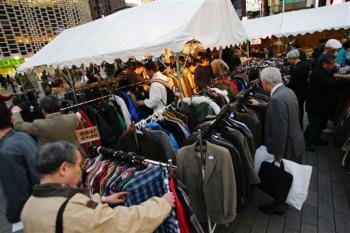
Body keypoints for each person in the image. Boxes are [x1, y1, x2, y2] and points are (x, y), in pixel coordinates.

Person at [21, 141, 175, 233]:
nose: (83, 169)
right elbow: (125, 224)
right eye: (80, 165)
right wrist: (162, 203)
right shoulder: (72, 210)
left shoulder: (29, 207)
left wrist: (102, 199)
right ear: (64, 169)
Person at [250, 67, 306, 215]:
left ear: (266, 82)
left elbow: (280, 131)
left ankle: (279, 206)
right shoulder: (287, 91)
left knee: (282, 176)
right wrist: (261, 105)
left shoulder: (276, 99)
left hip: (287, 146)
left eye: (262, 82)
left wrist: (278, 155)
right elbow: (282, 112)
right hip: (295, 140)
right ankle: (281, 202)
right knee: (286, 175)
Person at [0, 105, 39, 227]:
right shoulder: (23, 136)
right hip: (41, 202)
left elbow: (17, 193)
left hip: (29, 213)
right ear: (11, 119)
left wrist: (14, 218)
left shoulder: (6, 151)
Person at [304, 54, 350, 152]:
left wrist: (344, 76)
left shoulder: (325, 71)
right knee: (314, 124)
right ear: (325, 64)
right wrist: (347, 81)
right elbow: (332, 83)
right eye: (333, 63)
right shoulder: (318, 73)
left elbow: (332, 76)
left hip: (322, 104)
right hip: (315, 104)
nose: (335, 65)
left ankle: (316, 139)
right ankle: (306, 143)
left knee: (320, 124)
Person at [11, 95, 81, 147]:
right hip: (78, 159)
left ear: (43, 111)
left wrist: (15, 113)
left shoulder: (39, 125)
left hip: (56, 163)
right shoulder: (72, 118)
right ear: (60, 107)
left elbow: (19, 125)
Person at [286, 49, 310, 128]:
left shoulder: (297, 68)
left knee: (298, 109)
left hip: (298, 92)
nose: (288, 61)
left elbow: (294, 83)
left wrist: (285, 85)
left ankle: (298, 125)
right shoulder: (304, 64)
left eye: (288, 59)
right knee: (299, 109)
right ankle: (299, 125)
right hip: (303, 90)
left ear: (293, 58)